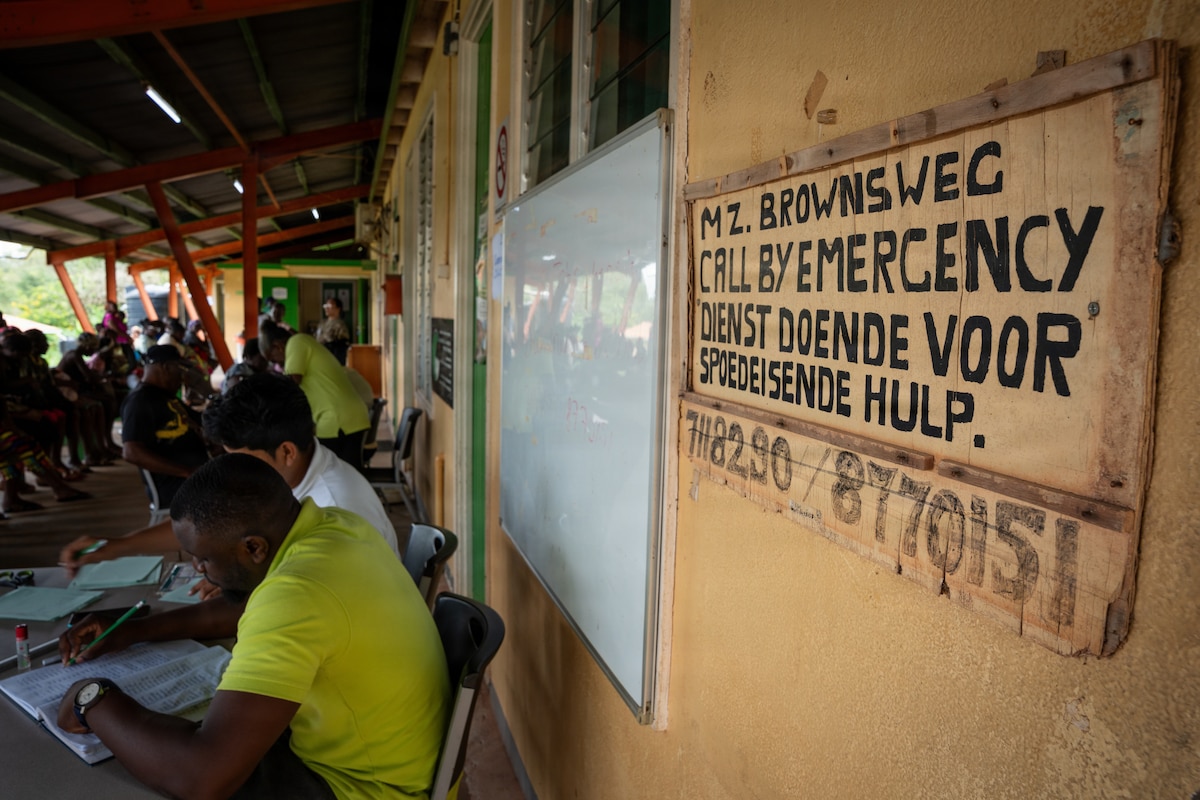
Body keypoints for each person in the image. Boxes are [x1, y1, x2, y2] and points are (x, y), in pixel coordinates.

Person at [56, 454, 449, 800]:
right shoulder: (337, 528)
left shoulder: (295, 595)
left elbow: (200, 779)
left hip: (364, 788)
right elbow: (246, 610)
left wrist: (93, 698)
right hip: (397, 760)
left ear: (254, 548)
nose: (198, 569)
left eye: (203, 559)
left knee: (166, 767)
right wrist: (135, 630)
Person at [60, 372, 400, 576]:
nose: (234, 474)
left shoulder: (338, 507)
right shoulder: (279, 475)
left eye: (242, 461)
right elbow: (210, 521)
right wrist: (116, 546)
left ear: (286, 451)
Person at [259, 321, 370, 468]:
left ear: (277, 346)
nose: (277, 365)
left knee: (330, 473)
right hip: (346, 416)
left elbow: (291, 384)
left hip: (337, 419)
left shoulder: (296, 342)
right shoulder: (304, 342)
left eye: (273, 360)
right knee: (344, 474)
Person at [119, 345, 209, 508]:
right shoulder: (140, 402)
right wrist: (186, 472)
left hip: (194, 474)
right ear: (166, 367)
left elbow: (203, 420)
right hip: (175, 484)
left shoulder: (164, 396)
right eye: (179, 369)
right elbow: (131, 452)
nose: (182, 376)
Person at [315, 296, 351, 365]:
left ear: (338, 309)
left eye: (329, 305)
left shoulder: (340, 325)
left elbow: (342, 345)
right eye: (325, 305)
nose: (326, 308)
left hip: (332, 358)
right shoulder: (322, 323)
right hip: (319, 355)